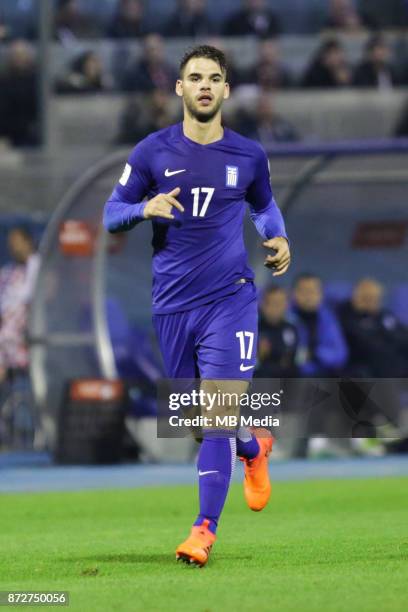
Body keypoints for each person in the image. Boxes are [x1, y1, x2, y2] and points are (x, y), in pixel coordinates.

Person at [103, 45, 290, 566]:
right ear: (179, 89)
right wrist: (145, 207)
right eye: (194, 77)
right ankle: (253, 446)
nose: (204, 85)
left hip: (230, 300)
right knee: (199, 420)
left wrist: (278, 238)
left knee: (216, 413)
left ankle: (203, 531)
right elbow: (110, 214)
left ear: (226, 90)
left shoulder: (249, 154)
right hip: (172, 307)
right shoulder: (151, 153)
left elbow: (265, 207)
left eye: (214, 78)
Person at [0, 228, 40, 448]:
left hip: (26, 343)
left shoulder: (39, 268)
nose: (13, 247)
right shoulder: (8, 273)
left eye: (17, 241)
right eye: (10, 242)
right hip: (6, 342)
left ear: (28, 241)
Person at [338, 278, 408, 377]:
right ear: (355, 297)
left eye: (375, 298)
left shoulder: (384, 315)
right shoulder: (346, 316)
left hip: (396, 364)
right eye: (367, 297)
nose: (371, 302)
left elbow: (404, 336)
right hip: (368, 368)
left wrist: (389, 336)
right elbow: (366, 343)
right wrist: (389, 339)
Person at [290, 274, 348, 377]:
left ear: (321, 294)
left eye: (313, 291)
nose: (308, 296)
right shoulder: (286, 317)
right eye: (304, 291)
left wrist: (314, 354)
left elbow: (340, 354)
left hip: (323, 376)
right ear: (294, 294)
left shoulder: (327, 319)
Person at [0, 40, 38, 147]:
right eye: (15, 55)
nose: (18, 58)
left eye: (22, 54)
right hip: (9, 136)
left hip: (34, 135)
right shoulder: (4, 82)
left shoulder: (38, 82)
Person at [256, 286, 298, 378]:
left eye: (280, 303)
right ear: (263, 305)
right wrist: (259, 356)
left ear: (286, 305)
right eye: (272, 303)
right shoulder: (254, 329)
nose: (276, 308)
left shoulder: (291, 329)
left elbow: (293, 359)